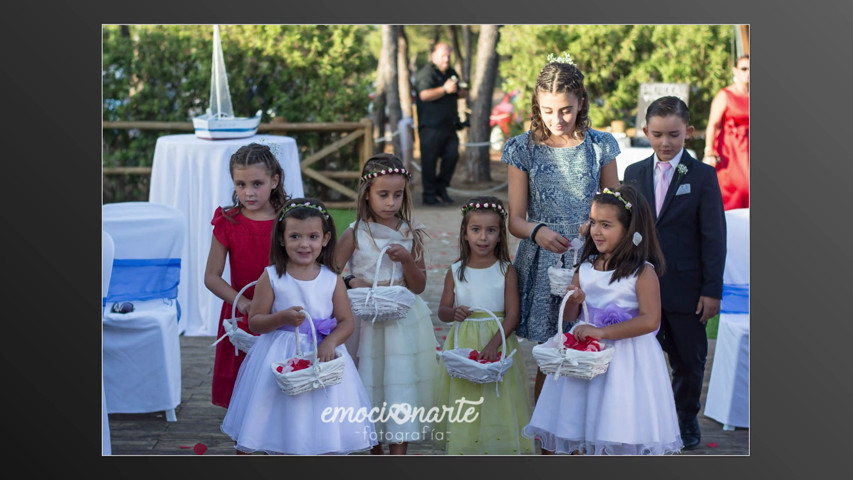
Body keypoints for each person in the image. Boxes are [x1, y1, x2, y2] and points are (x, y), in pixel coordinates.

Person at [523, 184, 683, 455]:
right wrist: (574, 301)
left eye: (606, 225)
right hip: (586, 359)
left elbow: (650, 321)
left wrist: (602, 333)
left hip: (628, 360)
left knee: (616, 420)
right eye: (594, 222)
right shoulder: (584, 268)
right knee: (579, 419)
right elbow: (572, 317)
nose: (596, 231)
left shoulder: (642, 273)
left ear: (629, 229)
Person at [501, 52, 620, 405]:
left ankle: (587, 431)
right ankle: (547, 437)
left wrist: (597, 229)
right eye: (548, 110)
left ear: (580, 102)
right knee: (552, 355)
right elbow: (516, 220)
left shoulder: (601, 146)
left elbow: (618, 209)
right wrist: (537, 232)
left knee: (592, 348)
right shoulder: (522, 148)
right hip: (545, 261)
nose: (558, 118)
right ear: (537, 104)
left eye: (565, 110)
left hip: (593, 255)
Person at [220, 198, 376, 455]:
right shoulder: (271, 277)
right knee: (275, 416)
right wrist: (280, 318)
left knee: (318, 418)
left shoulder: (332, 278)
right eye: (294, 236)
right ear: (281, 239)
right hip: (279, 354)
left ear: (325, 239)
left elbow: (346, 321)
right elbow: (255, 322)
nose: (304, 244)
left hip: (321, 357)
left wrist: (330, 342)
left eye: (312, 236)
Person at [624, 96, 726, 450]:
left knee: (688, 359)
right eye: (657, 135)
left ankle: (685, 419)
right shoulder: (633, 173)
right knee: (642, 358)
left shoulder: (703, 176)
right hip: (641, 288)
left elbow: (714, 237)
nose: (665, 143)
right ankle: (648, 418)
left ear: (689, 133)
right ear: (645, 132)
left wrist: (712, 290)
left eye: (673, 135)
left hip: (687, 287)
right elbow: (628, 228)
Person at [334, 153, 438, 455]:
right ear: (367, 193)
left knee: (399, 384)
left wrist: (407, 259)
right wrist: (351, 280)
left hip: (400, 322)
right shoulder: (354, 233)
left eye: (397, 194)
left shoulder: (410, 233)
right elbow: (330, 276)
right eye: (383, 194)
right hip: (365, 321)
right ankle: (374, 450)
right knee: (370, 382)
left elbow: (419, 286)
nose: (391, 202)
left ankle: (398, 454)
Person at [433, 196, 535, 455]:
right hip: (464, 345)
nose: (483, 237)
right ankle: (466, 446)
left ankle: (497, 446)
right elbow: (443, 312)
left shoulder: (505, 270)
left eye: (491, 230)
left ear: (501, 235)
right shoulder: (456, 270)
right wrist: (454, 312)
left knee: (497, 397)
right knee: (467, 396)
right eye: (475, 230)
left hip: (497, 341)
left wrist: (494, 345)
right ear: (465, 233)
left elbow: (513, 315)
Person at [204, 143, 289, 409]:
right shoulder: (227, 221)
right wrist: (241, 303)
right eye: (240, 184)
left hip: (281, 311)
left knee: (279, 382)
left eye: (257, 184)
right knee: (243, 391)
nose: (248, 192)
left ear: (274, 181)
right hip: (242, 313)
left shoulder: (288, 219)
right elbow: (212, 276)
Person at [414, 42, 467, 206]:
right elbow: (424, 95)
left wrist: (457, 89)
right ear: (433, 56)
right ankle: (428, 194)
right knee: (429, 162)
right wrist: (444, 89)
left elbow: (462, 92)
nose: (447, 59)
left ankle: (441, 189)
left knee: (452, 157)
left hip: (449, 126)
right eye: (443, 55)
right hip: (430, 127)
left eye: (448, 55)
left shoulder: (451, 72)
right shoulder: (426, 73)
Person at [703, 54, 750, 210]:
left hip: (749, 147)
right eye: (744, 68)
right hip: (731, 150)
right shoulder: (725, 95)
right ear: (735, 71)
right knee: (739, 189)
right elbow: (713, 124)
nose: (748, 72)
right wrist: (709, 150)